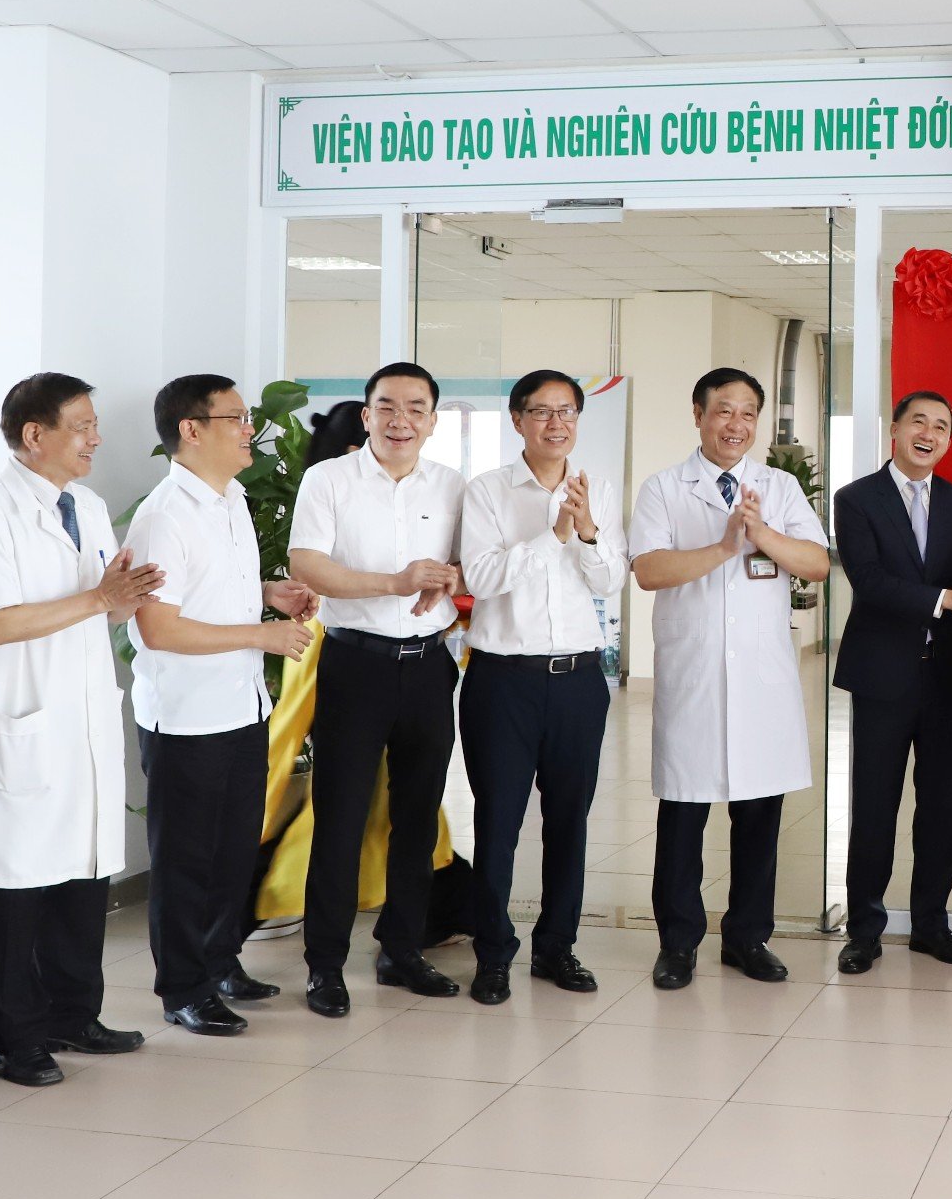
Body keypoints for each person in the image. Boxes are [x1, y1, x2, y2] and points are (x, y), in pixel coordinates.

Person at [0, 373, 161, 1086]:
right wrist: (99, 597)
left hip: (82, 719)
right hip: (18, 719)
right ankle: (18, 1035)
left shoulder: (87, 507)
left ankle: (74, 1014)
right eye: (83, 425)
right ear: (35, 435)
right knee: (15, 888)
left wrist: (123, 598)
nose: (97, 437)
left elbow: (98, 609)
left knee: (82, 876)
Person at [126, 375, 318, 1037]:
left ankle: (219, 962)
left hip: (242, 706)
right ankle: (184, 987)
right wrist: (261, 635)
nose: (249, 430)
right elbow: (160, 628)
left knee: (233, 849)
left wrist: (269, 593)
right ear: (191, 429)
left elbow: (206, 587)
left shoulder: (230, 497)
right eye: (236, 418)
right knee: (186, 860)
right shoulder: (164, 516)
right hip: (187, 717)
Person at [628, 367, 830, 989]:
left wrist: (762, 533)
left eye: (748, 413)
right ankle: (678, 943)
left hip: (762, 680)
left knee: (760, 817)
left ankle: (747, 939)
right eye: (723, 411)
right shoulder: (665, 488)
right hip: (693, 673)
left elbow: (817, 563)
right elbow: (649, 570)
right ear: (698, 415)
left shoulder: (779, 488)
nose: (736, 425)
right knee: (683, 817)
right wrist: (723, 547)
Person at [285, 362, 465, 1017]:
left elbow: (468, 563)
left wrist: (450, 578)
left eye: (416, 408)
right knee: (340, 817)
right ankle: (325, 964)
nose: (400, 420)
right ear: (366, 416)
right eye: (386, 406)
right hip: (355, 666)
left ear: (433, 421)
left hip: (429, 667)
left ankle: (402, 950)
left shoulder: (451, 486)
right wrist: (395, 583)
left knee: (417, 817)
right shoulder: (329, 480)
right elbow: (307, 564)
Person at [457, 369, 626, 1004]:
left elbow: (610, 580)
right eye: (542, 412)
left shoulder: (597, 490)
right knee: (498, 821)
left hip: (578, 680)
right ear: (518, 420)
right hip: (504, 681)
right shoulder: (487, 491)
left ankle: (557, 948)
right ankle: (493, 954)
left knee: (569, 822)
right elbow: (482, 578)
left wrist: (586, 533)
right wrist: (550, 535)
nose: (556, 423)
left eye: (567, 412)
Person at [832, 390, 952, 975]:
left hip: (945, 677)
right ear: (896, 431)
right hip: (882, 676)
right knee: (875, 805)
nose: (929, 434)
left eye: (942, 427)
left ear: (949, 441)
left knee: (941, 805)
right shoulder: (856, 499)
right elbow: (869, 581)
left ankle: (932, 924)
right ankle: (864, 930)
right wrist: (946, 600)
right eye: (919, 423)